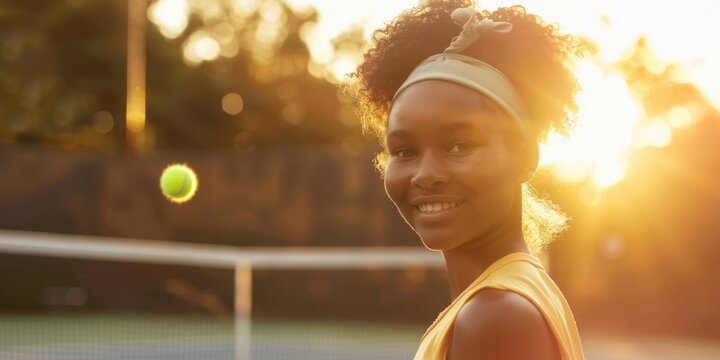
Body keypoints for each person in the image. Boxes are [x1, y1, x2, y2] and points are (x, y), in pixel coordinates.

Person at [345, 0, 588, 359]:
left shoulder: (496, 315)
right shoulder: (515, 294)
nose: (426, 174)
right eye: (405, 151)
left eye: (459, 145)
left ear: (524, 158)